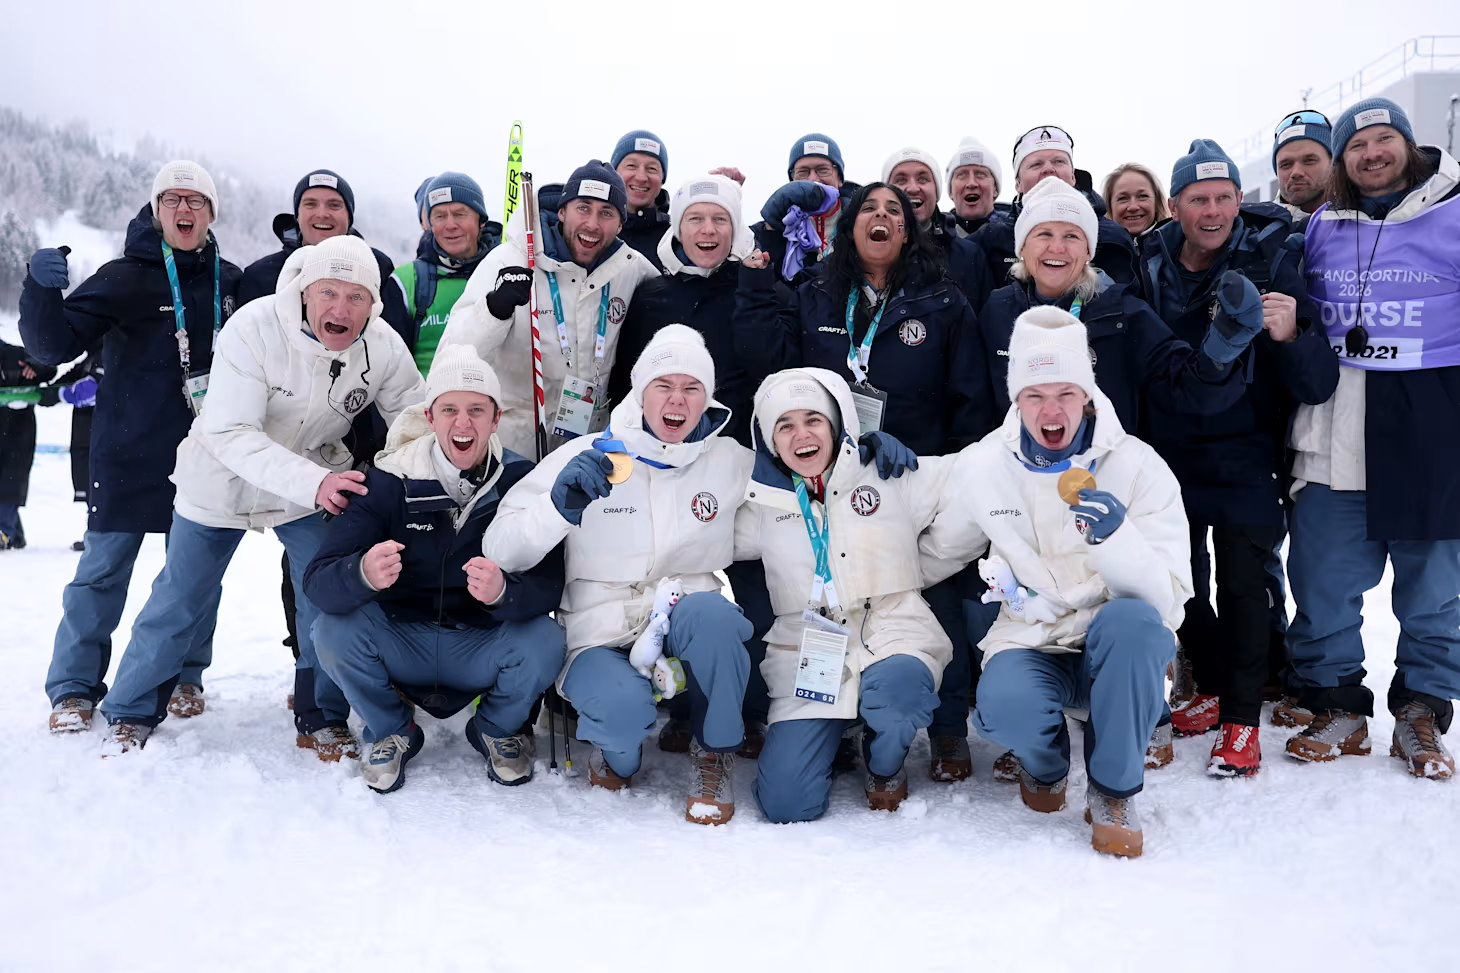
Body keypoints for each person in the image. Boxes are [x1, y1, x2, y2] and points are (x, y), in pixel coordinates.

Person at [94, 236, 425, 756]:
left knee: (325, 596)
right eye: (328, 292)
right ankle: (131, 710)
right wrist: (315, 483)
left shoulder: (380, 344)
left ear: (373, 304)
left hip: (312, 482)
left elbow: (414, 419)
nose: (341, 309)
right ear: (305, 291)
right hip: (222, 480)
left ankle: (321, 714)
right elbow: (232, 433)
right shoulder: (253, 327)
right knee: (181, 598)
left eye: (356, 297)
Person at [736, 180, 990, 781]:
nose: (881, 217)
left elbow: (970, 397)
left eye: (893, 211)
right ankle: (841, 721)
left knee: (935, 598)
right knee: (832, 598)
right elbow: (769, 362)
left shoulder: (943, 300)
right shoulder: (817, 294)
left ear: (908, 230)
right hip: (830, 471)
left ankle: (948, 728)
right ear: (849, 227)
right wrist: (756, 272)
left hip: (911, 471)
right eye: (868, 209)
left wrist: (948, 468)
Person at [921, 304, 1192, 857]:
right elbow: (938, 551)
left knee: (1136, 625)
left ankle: (1112, 789)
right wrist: (865, 577)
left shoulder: (1138, 466)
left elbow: (1166, 602)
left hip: (1114, 644)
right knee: (1001, 704)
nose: (1050, 410)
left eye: (1066, 393)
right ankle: (1045, 766)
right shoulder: (984, 466)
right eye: (1035, 395)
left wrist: (1117, 539)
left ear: (1087, 396)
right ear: (1016, 400)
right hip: (1034, 636)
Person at [482, 325, 757, 823]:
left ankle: (714, 752)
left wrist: (858, 466)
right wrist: (556, 509)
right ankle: (617, 754)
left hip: (684, 615)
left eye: (691, 388)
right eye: (663, 386)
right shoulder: (588, 453)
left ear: (708, 398)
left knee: (717, 618)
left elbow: (793, 510)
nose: (677, 400)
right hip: (599, 630)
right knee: (622, 716)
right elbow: (501, 548)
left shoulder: (732, 462)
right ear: (640, 392)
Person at [1138, 139, 1338, 775]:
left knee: (1246, 584)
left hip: (1245, 450)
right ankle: (1217, 685)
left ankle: (1242, 721)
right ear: (1175, 206)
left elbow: (1317, 381)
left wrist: (1292, 333)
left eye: (1225, 197)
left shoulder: (1272, 258)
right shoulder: (1148, 261)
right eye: (1199, 199)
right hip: (1168, 453)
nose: (1214, 211)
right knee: (1181, 583)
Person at [20, 160, 241, 732]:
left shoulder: (231, 282)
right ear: (156, 210)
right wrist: (40, 291)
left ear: (211, 213)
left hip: (203, 460)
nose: (184, 209)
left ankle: (186, 675)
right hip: (126, 454)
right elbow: (52, 346)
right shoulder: (123, 276)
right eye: (172, 199)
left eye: (196, 201)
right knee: (100, 575)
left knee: (194, 579)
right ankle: (73, 688)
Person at [1282, 98, 1460, 779]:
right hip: (1337, 427)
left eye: (1384, 139)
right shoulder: (1322, 224)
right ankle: (1339, 705)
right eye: (1356, 145)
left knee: (1432, 586)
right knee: (1322, 577)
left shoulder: (1453, 210)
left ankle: (1421, 710)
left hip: (1429, 425)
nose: (1371, 153)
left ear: (1408, 145)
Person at [306, 346, 565, 793]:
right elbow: (318, 581)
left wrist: (505, 592)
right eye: (449, 410)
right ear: (429, 417)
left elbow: (550, 584)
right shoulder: (387, 480)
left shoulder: (521, 481)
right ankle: (392, 729)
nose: (463, 423)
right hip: (402, 638)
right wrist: (361, 572)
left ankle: (496, 728)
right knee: (331, 631)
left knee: (546, 638)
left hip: (480, 643)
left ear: (496, 419)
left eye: (476, 410)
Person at [603, 174, 776, 754]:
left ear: (736, 228)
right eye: (696, 218)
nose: (707, 230)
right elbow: (628, 377)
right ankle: (681, 706)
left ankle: (749, 708)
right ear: (677, 226)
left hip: (740, 455)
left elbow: (773, 361)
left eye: (720, 219)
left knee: (754, 588)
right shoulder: (653, 293)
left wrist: (756, 288)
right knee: (671, 580)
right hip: (664, 458)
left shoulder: (756, 284)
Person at [740, 367, 947, 820]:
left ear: (836, 425)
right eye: (785, 425)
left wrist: (918, 567)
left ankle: (884, 762)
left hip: (889, 628)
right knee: (786, 805)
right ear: (770, 441)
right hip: (809, 649)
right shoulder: (759, 502)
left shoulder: (888, 472)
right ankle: (838, 728)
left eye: (813, 419)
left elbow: (970, 491)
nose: (801, 435)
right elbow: (694, 533)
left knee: (899, 692)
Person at [441, 160, 658, 459]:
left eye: (606, 213)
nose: (592, 224)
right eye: (583, 208)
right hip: (515, 448)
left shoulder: (631, 268)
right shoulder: (510, 260)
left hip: (588, 444)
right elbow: (452, 354)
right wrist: (493, 310)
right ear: (562, 211)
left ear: (621, 224)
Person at [237, 168, 408, 338]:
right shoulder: (260, 276)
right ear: (297, 215)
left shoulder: (377, 267)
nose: (322, 214)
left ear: (349, 217)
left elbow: (390, 339)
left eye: (334, 205)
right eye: (311, 204)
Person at [972, 125, 1139, 288]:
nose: (1049, 169)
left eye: (1059, 161)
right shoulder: (991, 240)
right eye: (1036, 164)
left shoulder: (1113, 238)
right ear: (1018, 184)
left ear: (1073, 176)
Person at [393, 172, 503, 376]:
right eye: (440, 216)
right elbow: (391, 368)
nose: (450, 225)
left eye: (460, 214)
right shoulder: (405, 281)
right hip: (427, 394)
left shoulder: (503, 270)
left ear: (481, 220)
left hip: (498, 393)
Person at [883, 147, 996, 312]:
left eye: (923, 179)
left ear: (936, 192)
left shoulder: (969, 256)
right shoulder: (868, 253)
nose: (913, 188)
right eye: (901, 180)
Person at [752, 134, 860, 295]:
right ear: (792, 181)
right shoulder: (768, 229)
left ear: (840, 178)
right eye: (803, 172)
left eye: (822, 170)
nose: (813, 179)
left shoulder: (861, 224)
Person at [0, 338, 59, 549]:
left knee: (10, 480)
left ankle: (4, 531)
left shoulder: (16, 354)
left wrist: (35, 366)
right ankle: (13, 533)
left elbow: (49, 367)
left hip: (17, 430)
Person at [611, 129, 672, 270]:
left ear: (662, 179)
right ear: (614, 173)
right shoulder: (595, 229)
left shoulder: (676, 237)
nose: (641, 177)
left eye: (652, 169)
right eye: (631, 166)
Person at [1272, 110, 1334, 220]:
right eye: (1286, 164)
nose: (1296, 172)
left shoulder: (1362, 220)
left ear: (1333, 164)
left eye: (1309, 160)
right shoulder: (1259, 228)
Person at [944, 137, 1008, 238]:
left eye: (980, 174)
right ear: (951, 191)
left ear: (995, 188)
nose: (971, 183)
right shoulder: (933, 241)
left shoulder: (1019, 235)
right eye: (962, 175)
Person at [1101, 163, 1169, 240]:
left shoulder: (1177, 243)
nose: (1133, 207)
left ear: (1157, 203)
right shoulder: (1093, 246)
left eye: (1142, 196)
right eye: (1123, 198)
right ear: (1109, 207)